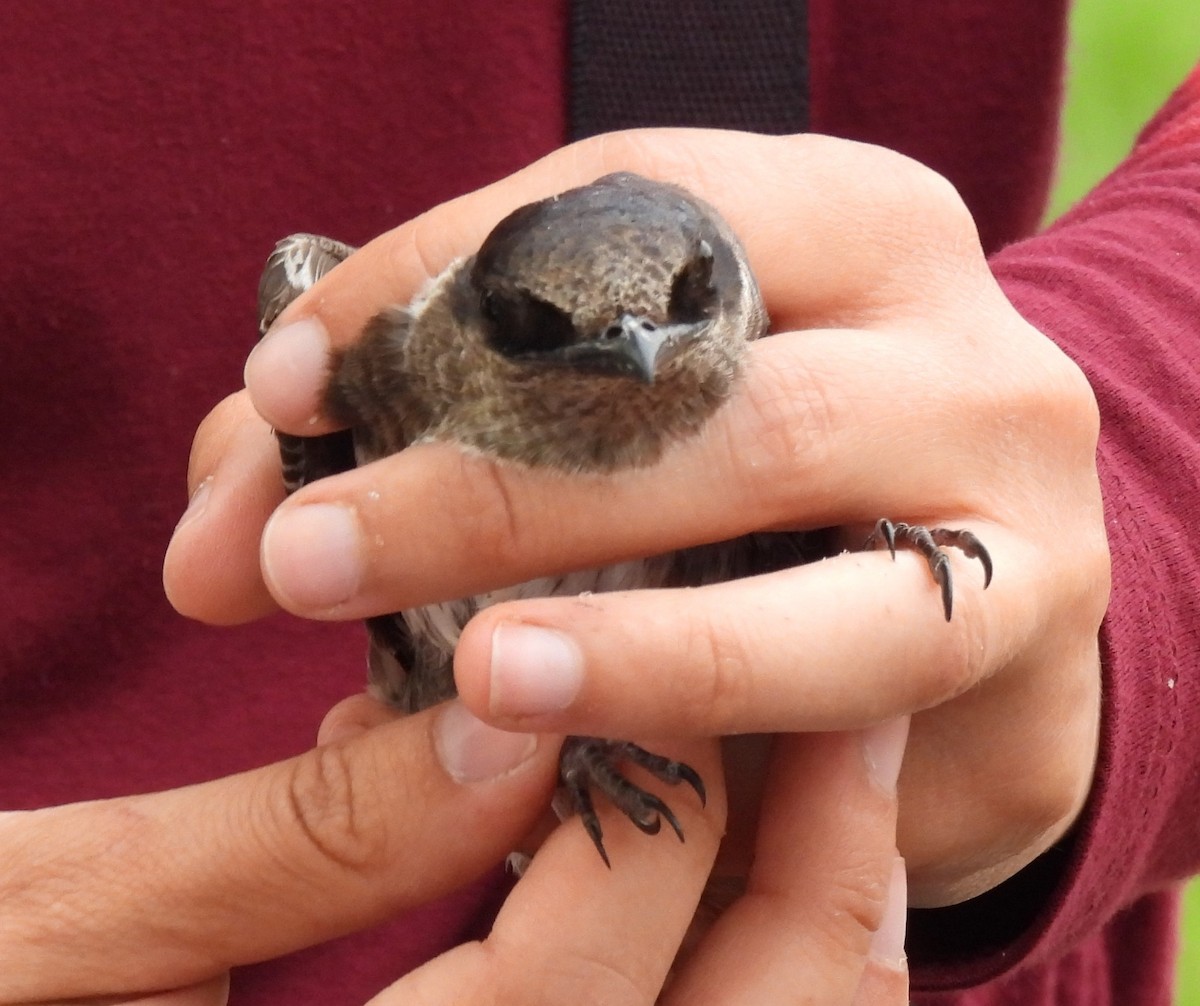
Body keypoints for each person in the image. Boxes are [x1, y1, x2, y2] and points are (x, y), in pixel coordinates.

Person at [1, 3, 1196, 1005]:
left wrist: (1098, 535)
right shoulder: (381, 353)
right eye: (549, 330)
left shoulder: (761, 309)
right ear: (482, 326)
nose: (635, 348)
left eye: (678, 305)